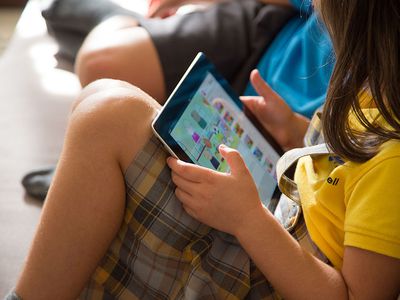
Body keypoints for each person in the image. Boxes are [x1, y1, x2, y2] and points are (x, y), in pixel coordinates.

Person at [7, 0, 400, 299]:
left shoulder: (392, 161)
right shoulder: (369, 91)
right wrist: (294, 133)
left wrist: (248, 219)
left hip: (265, 269)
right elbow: (343, 172)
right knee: (104, 110)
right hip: (274, 214)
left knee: (108, 115)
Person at [22, 0, 333, 200]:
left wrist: (298, 132)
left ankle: (135, 24)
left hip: (286, 144)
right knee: (99, 63)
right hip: (267, 38)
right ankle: (117, 19)